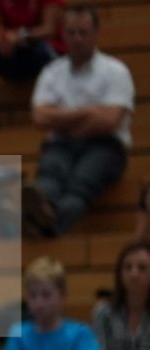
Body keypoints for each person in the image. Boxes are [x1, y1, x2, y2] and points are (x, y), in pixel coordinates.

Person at [20, 5, 134, 238]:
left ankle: (45, 231)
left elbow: (110, 121)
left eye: (83, 32)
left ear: (96, 33)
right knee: (48, 181)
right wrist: (87, 113)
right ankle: (43, 218)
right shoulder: (52, 72)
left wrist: (61, 118)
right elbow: (40, 117)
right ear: (63, 34)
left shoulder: (116, 71)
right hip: (61, 145)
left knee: (80, 184)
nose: (77, 39)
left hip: (105, 146)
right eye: (71, 33)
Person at [0, 256, 105, 350]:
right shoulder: (18, 333)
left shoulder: (80, 333)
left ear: (63, 295)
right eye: (32, 295)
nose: (39, 303)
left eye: (46, 295)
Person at [0, 0, 64, 130]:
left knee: (45, 51)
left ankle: (58, 109)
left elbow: (49, 29)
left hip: (36, 54)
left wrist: (21, 36)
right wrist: (1, 40)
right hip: (10, 55)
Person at [89, 241, 150, 350]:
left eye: (142, 268)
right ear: (119, 274)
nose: (134, 273)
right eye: (128, 267)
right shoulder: (103, 313)